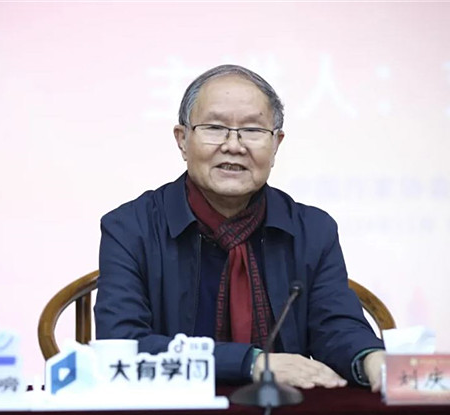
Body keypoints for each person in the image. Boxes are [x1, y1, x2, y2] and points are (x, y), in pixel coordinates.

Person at [94, 64, 385, 390]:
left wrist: (370, 358)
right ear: (182, 140)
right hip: (172, 405)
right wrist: (251, 363)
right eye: (215, 127)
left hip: (281, 406)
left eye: (252, 130)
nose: (234, 145)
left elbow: (336, 326)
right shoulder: (130, 228)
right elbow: (122, 344)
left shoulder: (313, 231)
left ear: (276, 144)